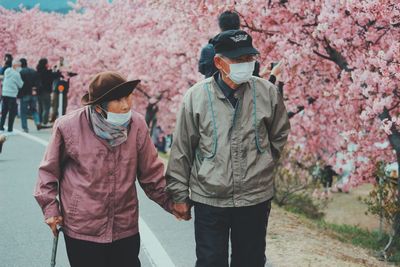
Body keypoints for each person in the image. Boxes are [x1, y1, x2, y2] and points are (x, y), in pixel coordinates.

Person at [34, 71, 184, 267]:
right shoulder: (68, 126)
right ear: (98, 108)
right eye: (118, 100)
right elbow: (48, 172)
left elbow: (151, 174)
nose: (126, 105)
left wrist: (172, 203)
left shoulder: (137, 124)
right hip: (83, 227)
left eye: (128, 97)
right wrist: (50, 208)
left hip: (125, 225)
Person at [167, 30, 291, 267]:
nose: (246, 65)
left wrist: (263, 161)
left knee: (251, 260)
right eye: (238, 60)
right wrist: (179, 195)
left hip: (254, 197)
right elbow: (182, 149)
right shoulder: (196, 97)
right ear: (219, 62)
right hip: (210, 197)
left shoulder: (267, 92)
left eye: (249, 59)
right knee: (210, 260)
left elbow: (279, 134)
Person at [0, 60, 23, 134]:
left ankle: (1, 127)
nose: (20, 68)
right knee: (12, 112)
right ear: (15, 66)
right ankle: (10, 129)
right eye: (19, 66)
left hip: (4, 93)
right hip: (12, 94)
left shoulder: (7, 71)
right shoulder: (16, 74)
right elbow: (20, 84)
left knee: (4, 112)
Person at [18, 58, 41, 132]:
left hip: (24, 94)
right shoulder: (33, 71)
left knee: (23, 112)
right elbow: (38, 83)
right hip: (33, 93)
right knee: (34, 109)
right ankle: (37, 122)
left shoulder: (21, 72)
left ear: (21, 64)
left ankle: (25, 127)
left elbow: (20, 84)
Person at [36, 58, 61, 126]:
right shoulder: (47, 72)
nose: (48, 64)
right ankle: (45, 122)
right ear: (45, 64)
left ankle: (39, 122)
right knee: (46, 107)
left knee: (40, 108)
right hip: (46, 92)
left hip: (38, 92)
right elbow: (56, 75)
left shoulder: (37, 72)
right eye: (47, 63)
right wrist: (58, 70)